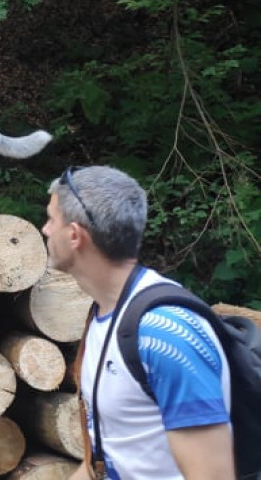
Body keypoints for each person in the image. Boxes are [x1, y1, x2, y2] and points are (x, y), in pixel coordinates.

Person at [41, 165, 234, 480]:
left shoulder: (166, 334)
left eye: (51, 220)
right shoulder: (104, 314)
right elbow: (107, 459)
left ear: (74, 235)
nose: (45, 230)